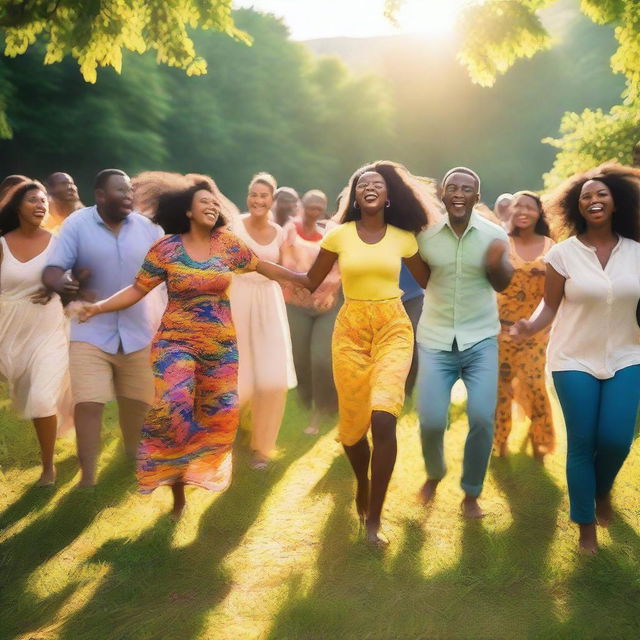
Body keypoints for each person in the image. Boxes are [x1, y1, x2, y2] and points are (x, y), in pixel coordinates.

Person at [76, 172, 304, 518]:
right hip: (175, 343)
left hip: (219, 347)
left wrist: (302, 279)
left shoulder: (227, 244)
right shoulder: (166, 249)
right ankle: (176, 491)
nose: (212, 207)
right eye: (204, 203)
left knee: (218, 417)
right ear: (188, 211)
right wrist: (98, 306)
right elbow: (137, 289)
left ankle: (189, 477)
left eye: (215, 203)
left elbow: (263, 267)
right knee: (176, 404)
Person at [298, 161, 436, 547]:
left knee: (384, 417)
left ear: (389, 196)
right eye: (362, 185)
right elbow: (310, 280)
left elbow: (430, 282)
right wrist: (258, 265)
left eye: (377, 184)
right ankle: (363, 484)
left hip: (393, 326)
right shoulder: (338, 235)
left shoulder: (404, 238)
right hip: (351, 330)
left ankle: (374, 519)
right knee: (352, 430)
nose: (370, 188)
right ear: (355, 196)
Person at [511, 164, 640, 555]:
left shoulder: (637, 252)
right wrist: (528, 326)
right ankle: (586, 527)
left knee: (617, 439)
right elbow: (548, 307)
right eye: (586, 196)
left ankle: (601, 491)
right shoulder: (563, 254)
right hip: (572, 359)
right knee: (583, 441)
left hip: (628, 355)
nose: (594, 200)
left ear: (616, 202)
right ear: (576, 207)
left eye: (601, 194)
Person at [42, 169, 163, 487]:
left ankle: (133, 459)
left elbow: (168, 272)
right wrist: (63, 285)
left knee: (137, 404)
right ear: (99, 196)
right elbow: (53, 269)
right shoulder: (77, 225)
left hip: (139, 331)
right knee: (88, 403)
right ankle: (88, 477)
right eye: (120, 190)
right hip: (89, 330)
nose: (128, 196)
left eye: (130, 191)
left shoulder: (149, 229)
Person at [416, 167, 514, 519]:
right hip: (435, 340)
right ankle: (434, 473)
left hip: (480, 341)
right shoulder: (424, 236)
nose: (459, 193)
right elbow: (421, 279)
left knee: (482, 418)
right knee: (429, 421)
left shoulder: (494, 234)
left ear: (477, 196)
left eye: (467, 189)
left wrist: (495, 264)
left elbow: (504, 283)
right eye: (452, 188)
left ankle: (471, 492)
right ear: (443, 194)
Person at [0, 181, 75, 485]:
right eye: (32, 200)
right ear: (17, 206)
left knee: (43, 398)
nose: (41, 206)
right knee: (23, 394)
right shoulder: (2, 243)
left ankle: (48, 467)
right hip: (7, 328)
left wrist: (56, 286)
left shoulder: (59, 244)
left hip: (48, 330)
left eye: (44, 201)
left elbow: (74, 283)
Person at [230, 173, 297, 469]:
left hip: (269, 303)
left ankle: (262, 448)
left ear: (272, 200)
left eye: (264, 196)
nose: (258, 200)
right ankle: (223, 438)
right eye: (253, 194)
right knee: (237, 377)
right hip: (237, 299)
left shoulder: (280, 233)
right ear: (248, 197)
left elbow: (287, 269)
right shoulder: (234, 226)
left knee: (272, 378)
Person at [494, 191, 555, 460]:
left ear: (539, 213)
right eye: (518, 205)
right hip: (500, 330)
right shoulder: (500, 243)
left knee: (534, 384)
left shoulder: (552, 246)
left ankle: (540, 441)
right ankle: (500, 443)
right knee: (501, 388)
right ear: (510, 211)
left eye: (530, 207)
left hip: (537, 331)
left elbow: (556, 292)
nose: (523, 211)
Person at [282, 189, 341, 435]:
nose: (314, 212)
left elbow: (337, 269)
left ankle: (324, 406)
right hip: (296, 303)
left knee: (321, 356)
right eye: (310, 207)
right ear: (302, 207)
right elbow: (285, 263)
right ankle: (305, 398)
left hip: (325, 304)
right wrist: (298, 289)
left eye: (319, 208)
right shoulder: (289, 231)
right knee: (299, 355)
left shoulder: (329, 235)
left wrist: (322, 293)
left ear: (323, 209)